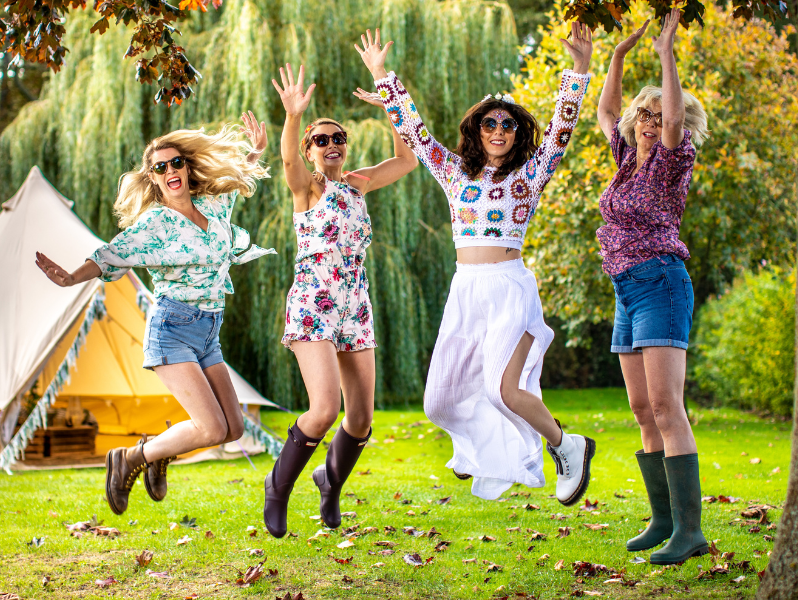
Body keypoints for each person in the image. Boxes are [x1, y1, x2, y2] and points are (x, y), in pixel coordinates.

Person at [359, 26, 595, 504]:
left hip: (509, 287)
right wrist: (383, 76)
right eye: (490, 123)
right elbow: (415, 134)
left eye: (508, 125)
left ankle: (567, 446)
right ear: (476, 129)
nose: (499, 131)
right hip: (466, 288)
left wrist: (580, 68)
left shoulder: (531, 175)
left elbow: (561, 132)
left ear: (517, 133)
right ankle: (480, 451)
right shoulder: (453, 172)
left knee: (502, 390)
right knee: (438, 401)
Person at [35, 113, 273, 515]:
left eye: (175, 162)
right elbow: (112, 254)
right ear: (153, 177)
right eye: (159, 167)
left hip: (209, 330)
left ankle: (157, 453)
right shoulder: (154, 225)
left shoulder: (212, 206)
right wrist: (72, 277)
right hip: (172, 330)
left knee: (232, 429)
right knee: (211, 428)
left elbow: (238, 181)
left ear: (186, 167)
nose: (169, 170)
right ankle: (129, 458)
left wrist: (256, 151)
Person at [263, 63, 418, 538]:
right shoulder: (308, 187)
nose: (332, 144)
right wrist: (293, 117)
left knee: (361, 419)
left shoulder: (358, 183)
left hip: (355, 303)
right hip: (315, 300)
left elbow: (408, 159)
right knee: (324, 408)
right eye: (322, 139)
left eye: (338, 137)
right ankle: (278, 487)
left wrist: (393, 104)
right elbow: (287, 162)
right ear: (311, 150)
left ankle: (329, 483)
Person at [596, 9, 710, 565]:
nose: (647, 120)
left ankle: (690, 532)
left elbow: (669, 123)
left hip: (661, 282)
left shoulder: (672, 160)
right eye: (642, 114)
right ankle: (663, 519)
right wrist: (616, 58)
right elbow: (606, 110)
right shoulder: (624, 162)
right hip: (626, 291)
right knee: (642, 408)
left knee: (667, 405)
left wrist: (665, 53)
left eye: (658, 114)